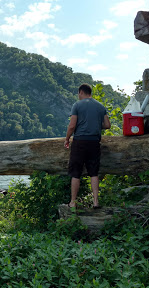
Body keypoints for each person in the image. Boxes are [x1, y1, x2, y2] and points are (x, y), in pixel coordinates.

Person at [64, 83, 111, 211]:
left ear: (81, 92)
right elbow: (107, 125)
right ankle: (96, 201)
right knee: (93, 172)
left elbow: (72, 126)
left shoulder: (77, 105)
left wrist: (67, 139)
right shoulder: (100, 106)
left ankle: (73, 202)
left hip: (79, 142)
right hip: (94, 142)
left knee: (76, 173)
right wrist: (95, 124)